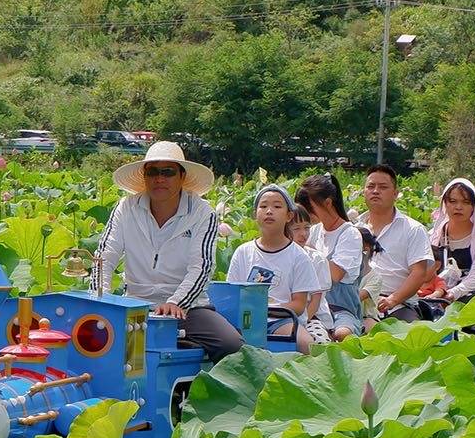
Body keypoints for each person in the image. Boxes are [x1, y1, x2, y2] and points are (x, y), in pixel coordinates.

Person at [91, 140, 242, 360]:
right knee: (88, 339)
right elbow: (105, 256)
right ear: (144, 177)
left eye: (168, 172)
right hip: (134, 304)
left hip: (188, 307)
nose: (159, 179)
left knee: (231, 345)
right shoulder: (126, 207)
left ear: (182, 177)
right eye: (152, 172)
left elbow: (202, 267)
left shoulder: (203, 213)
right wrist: (99, 300)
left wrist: (175, 303)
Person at [226, 185, 321, 352]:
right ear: (255, 214)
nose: (269, 211)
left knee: (307, 345)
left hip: (282, 320)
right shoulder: (243, 252)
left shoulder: (299, 256)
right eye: (263, 206)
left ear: (289, 216)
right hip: (246, 320)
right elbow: (232, 294)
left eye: (277, 206)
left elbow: (299, 305)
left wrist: (267, 309)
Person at [355, 164, 435, 325]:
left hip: (398, 304)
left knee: (411, 338)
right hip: (357, 302)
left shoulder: (413, 229)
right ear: (364, 191)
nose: (375, 191)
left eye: (383, 187)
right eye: (371, 186)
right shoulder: (353, 229)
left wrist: (393, 299)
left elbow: (419, 273)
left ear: (396, 194)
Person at [295, 173, 365, 341]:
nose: (306, 214)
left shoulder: (350, 234)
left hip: (340, 309)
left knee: (342, 334)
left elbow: (335, 274)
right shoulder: (314, 231)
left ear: (328, 203)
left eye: (309, 208)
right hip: (310, 305)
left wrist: (308, 252)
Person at [428, 177, 475, 305]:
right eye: (452, 201)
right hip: (434, 296)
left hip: (472, 297)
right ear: (445, 204)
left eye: (465, 202)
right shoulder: (432, 237)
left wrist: (452, 294)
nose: (458, 207)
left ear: (473, 207)